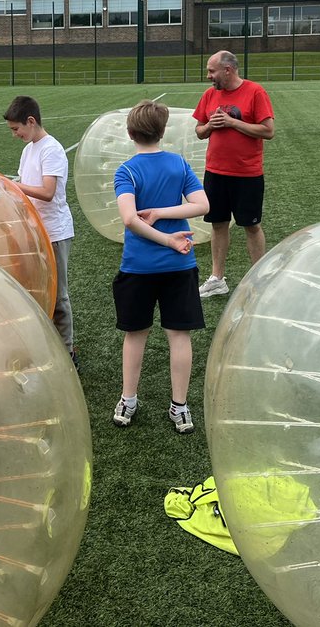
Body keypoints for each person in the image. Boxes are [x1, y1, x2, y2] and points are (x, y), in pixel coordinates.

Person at [110, 100, 209, 434]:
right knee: (177, 335)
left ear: (130, 132)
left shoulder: (127, 170)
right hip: (176, 264)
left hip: (140, 266)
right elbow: (202, 205)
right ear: (162, 131)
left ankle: (130, 399)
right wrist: (168, 232)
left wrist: (157, 214)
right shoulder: (178, 164)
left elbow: (130, 218)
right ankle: (178, 406)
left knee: (136, 335)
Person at [192, 50, 274, 298]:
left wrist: (232, 122)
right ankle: (217, 278)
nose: (208, 76)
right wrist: (209, 126)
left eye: (212, 71)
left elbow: (268, 131)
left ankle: (259, 279)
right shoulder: (209, 95)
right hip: (215, 172)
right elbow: (199, 130)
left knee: (251, 225)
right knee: (218, 225)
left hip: (247, 174)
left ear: (227, 70)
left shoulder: (255, 92)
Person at [4, 96, 76, 363]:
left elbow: (47, 192)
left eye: (16, 129)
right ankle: (46, 347)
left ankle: (68, 353)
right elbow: (24, 185)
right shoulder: (28, 149)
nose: (15, 135)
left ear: (31, 121)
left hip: (55, 232)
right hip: (34, 230)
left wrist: (12, 185)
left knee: (58, 296)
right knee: (35, 291)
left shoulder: (51, 149)